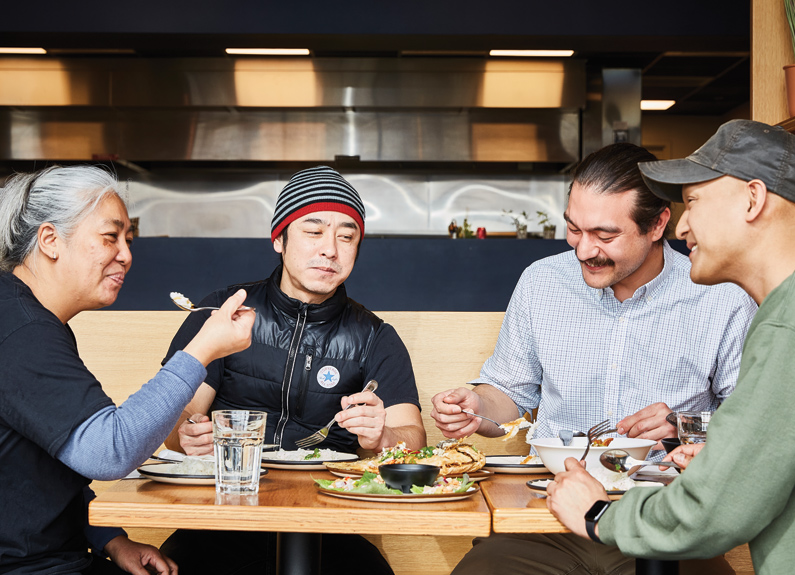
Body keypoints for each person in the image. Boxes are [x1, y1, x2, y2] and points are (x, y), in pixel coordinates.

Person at [431, 143, 757, 575]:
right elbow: (509, 392)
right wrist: (475, 407)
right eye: (574, 229)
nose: (584, 250)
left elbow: (751, 425)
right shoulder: (542, 282)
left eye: (605, 236)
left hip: (665, 519)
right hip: (547, 518)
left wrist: (683, 428)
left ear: (658, 224)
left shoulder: (721, 297)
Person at [547, 119, 795, 575]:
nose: (683, 224)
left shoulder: (786, 325)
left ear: (753, 199)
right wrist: (714, 445)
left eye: (693, 200)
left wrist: (597, 513)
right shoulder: (781, 315)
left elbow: (717, 507)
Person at [159, 165, 425, 575]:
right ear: (279, 239)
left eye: (346, 236)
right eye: (313, 231)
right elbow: (171, 417)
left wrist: (382, 435)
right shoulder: (224, 313)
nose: (331, 249)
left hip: (332, 523)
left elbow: (413, 438)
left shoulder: (375, 336)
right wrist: (185, 435)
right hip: (221, 519)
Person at [0, 165, 255, 575]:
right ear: (50, 240)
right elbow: (109, 450)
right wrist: (202, 350)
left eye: (128, 239)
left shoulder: (34, 320)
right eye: (109, 237)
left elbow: (42, 467)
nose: (126, 254)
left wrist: (110, 539)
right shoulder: (20, 329)